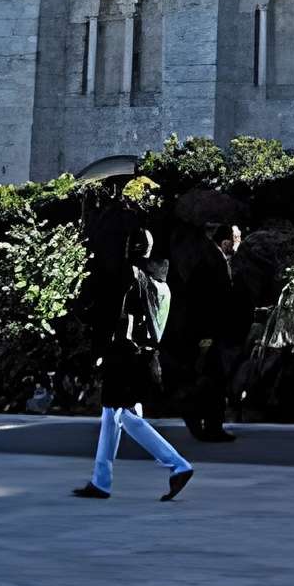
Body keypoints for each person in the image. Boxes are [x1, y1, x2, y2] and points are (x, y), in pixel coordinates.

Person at [72, 193, 194, 503]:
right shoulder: (163, 285)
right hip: (148, 358)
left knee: (124, 416)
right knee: (112, 415)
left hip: (125, 356)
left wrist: (102, 348)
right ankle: (101, 480)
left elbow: (122, 316)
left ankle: (177, 464)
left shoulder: (131, 276)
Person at [165, 218, 252, 444]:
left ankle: (207, 422)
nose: (239, 243)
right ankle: (205, 421)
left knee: (211, 380)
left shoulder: (212, 260)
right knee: (213, 380)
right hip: (209, 333)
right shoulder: (213, 262)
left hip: (209, 332)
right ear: (225, 242)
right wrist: (206, 336)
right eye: (236, 239)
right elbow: (206, 304)